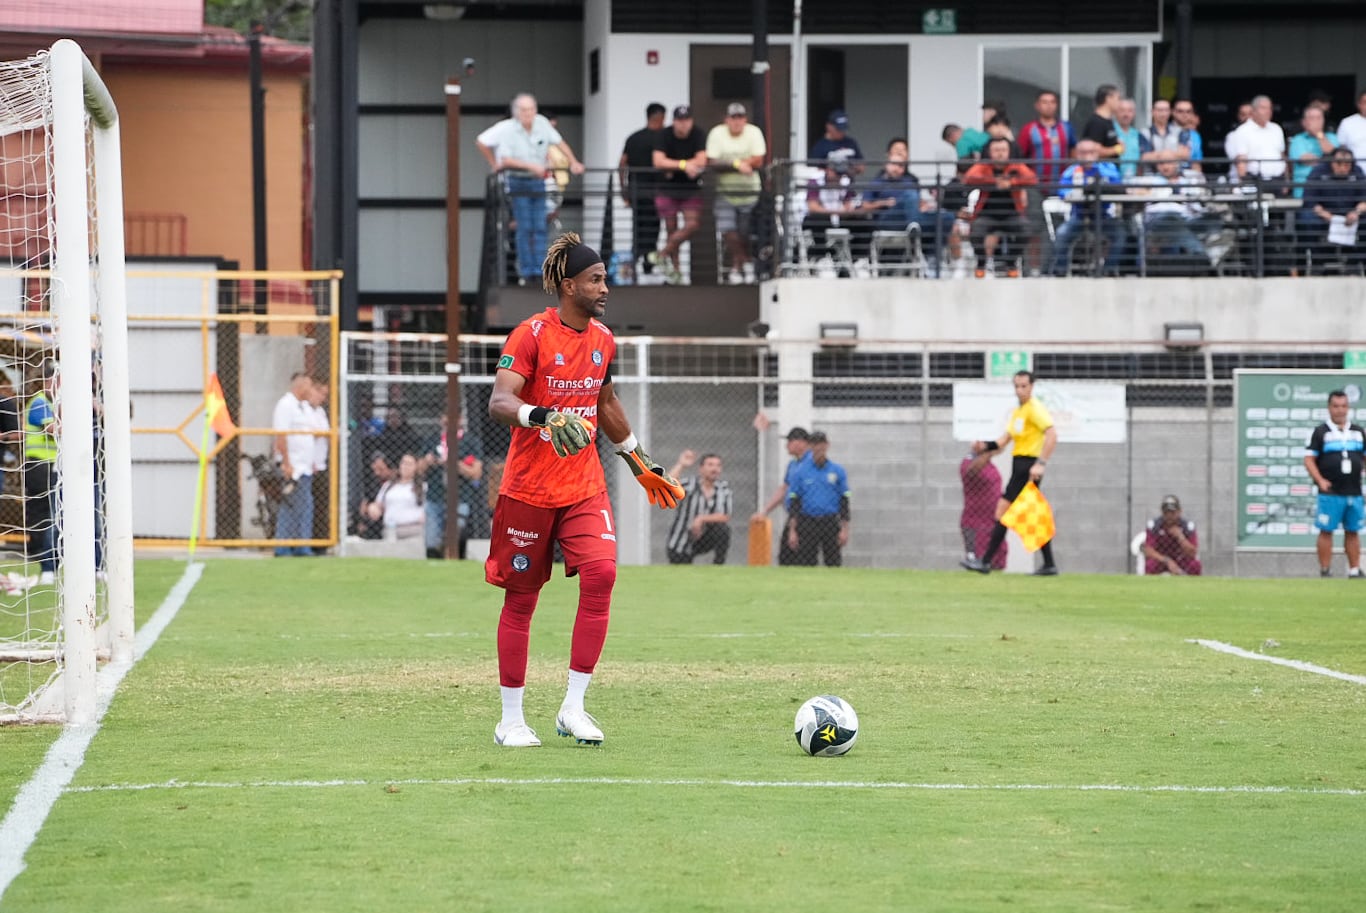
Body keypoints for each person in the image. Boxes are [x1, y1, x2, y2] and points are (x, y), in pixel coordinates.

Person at [485, 231, 684, 748]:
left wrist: (639, 460)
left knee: (602, 573)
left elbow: (606, 403)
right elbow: (500, 402)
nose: (604, 288)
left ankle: (573, 707)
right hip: (528, 490)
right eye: (596, 279)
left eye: (605, 280)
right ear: (568, 284)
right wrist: (544, 416)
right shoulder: (529, 335)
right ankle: (510, 720)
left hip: (583, 487)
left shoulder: (603, 339)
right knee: (522, 600)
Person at [475, 93, 586, 284]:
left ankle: (540, 269)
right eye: (524, 110)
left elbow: (559, 142)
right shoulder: (507, 128)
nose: (528, 113)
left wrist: (573, 161)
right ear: (516, 112)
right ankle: (528, 272)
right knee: (525, 227)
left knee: (540, 227)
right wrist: (495, 163)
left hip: (538, 182)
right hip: (517, 182)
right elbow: (487, 146)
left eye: (531, 109)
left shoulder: (542, 123)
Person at [961, 370, 1059, 575]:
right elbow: (1003, 441)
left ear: (1032, 387)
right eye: (1017, 386)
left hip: (1028, 466)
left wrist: (1041, 463)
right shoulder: (1018, 412)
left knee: (1002, 511)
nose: (1020, 390)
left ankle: (986, 562)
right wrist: (983, 446)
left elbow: (1052, 434)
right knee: (1031, 515)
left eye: (1024, 386)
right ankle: (1049, 564)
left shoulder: (1035, 409)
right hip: (1019, 465)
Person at [1303, 389, 1365, 578]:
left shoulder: (1358, 431)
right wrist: (1320, 480)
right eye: (1336, 406)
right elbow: (1309, 459)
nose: (1340, 411)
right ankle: (1325, 570)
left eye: (1344, 406)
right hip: (1331, 491)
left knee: (1353, 531)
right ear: (1329, 408)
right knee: (1326, 530)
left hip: (1353, 490)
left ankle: (1354, 570)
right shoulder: (1320, 432)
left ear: (1349, 408)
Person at [705, 102, 767, 284]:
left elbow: (758, 160)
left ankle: (736, 266)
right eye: (733, 117)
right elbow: (713, 162)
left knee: (744, 232)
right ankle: (746, 262)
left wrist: (732, 162)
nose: (737, 121)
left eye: (740, 117)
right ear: (726, 119)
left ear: (745, 119)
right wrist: (738, 165)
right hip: (725, 192)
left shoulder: (754, 132)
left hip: (750, 193)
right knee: (728, 230)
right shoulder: (717, 133)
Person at [963, 136, 1038, 277]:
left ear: (1009, 151)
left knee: (1026, 229)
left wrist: (1011, 183)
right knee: (976, 232)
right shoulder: (984, 166)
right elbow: (969, 177)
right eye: (996, 150)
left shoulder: (1016, 165)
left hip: (1012, 215)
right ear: (990, 152)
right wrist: (993, 182)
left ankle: (1011, 262)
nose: (1000, 153)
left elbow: (1032, 178)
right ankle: (982, 262)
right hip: (986, 215)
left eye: (1003, 150)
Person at [651, 104, 708, 285]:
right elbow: (658, 161)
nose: (683, 125)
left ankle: (662, 254)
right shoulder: (664, 135)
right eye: (679, 121)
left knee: (692, 225)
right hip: (667, 189)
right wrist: (684, 166)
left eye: (686, 121)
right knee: (671, 228)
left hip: (690, 190)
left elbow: (702, 160)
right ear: (674, 121)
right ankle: (675, 272)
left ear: (691, 121)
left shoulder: (698, 134)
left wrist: (675, 165)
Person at [1051, 139, 1125, 276]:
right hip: (1080, 216)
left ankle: (1108, 271)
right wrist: (1076, 193)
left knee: (1120, 235)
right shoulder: (1071, 172)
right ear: (1077, 154)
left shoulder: (1108, 169)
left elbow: (1118, 186)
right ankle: (1060, 271)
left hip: (1103, 216)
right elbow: (1062, 192)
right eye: (1083, 153)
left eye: (1091, 152)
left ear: (1097, 154)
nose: (1087, 156)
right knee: (1062, 234)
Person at [785, 430, 850, 567]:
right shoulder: (800, 472)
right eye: (815, 444)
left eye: (821, 444)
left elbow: (844, 500)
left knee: (833, 563)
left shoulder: (837, 470)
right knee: (807, 563)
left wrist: (844, 529)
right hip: (808, 522)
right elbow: (794, 502)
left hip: (830, 521)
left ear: (827, 445)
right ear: (810, 447)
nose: (818, 448)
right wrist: (792, 530)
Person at [618, 102, 666, 283]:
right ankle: (648, 264)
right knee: (653, 229)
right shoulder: (663, 138)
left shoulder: (633, 138)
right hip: (657, 191)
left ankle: (637, 262)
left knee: (638, 227)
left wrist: (624, 190)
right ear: (661, 117)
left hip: (636, 190)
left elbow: (622, 165)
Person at [751, 425, 811, 566]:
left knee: (803, 556)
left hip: (806, 516)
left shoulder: (811, 463)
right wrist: (765, 511)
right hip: (793, 515)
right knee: (786, 555)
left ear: (800, 443)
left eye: (789, 442)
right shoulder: (793, 465)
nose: (786, 446)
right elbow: (784, 489)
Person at [1299, 148, 1366, 271]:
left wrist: (1356, 212)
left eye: (1346, 164)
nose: (1342, 168)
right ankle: (1317, 262)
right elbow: (1309, 199)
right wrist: (1327, 215)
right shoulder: (1319, 171)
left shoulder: (1358, 172)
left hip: (1351, 215)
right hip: (1324, 215)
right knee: (1307, 219)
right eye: (1338, 164)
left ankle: (1355, 263)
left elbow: (1364, 200)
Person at [272, 372, 316, 557]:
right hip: (293, 467)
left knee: (303, 506)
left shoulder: (305, 407)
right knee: (291, 506)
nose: (311, 390)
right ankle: (284, 546)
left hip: (304, 467)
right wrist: (286, 463)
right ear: (299, 386)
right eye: (308, 385)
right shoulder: (286, 405)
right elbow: (281, 436)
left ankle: (300, 544)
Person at [23, 362, 59, 585]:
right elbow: (53, 429)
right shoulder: (40, 402)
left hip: (51, 464)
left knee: (50, 510)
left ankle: (47, 556)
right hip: (39, 464)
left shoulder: (53, 402)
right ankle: (42, 557)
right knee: (45, 511)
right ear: (47, 381)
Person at [664, 450, 733, 565]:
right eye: (710, 465)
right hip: (682, 538)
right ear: (701, 469)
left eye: (718, 465)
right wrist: (681, 465)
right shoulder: (690, 485)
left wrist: (701, 519)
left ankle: (719, 566)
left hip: (704, 537)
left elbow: (725, 516)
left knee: (723, 530)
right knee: (681, 572)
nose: (714, 469)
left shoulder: (723, 488)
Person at [1225, 95, 1287, 189]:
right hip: (1255, 181)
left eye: (1269, 108)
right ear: (1253, 111)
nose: (1268, 111)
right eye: (1263, 108)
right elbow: (1241, 161)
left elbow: (1282, 156)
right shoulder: (1243, 130)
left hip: (1278, 180)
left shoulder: (1277, 129)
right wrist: (1242, 185)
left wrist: (1286, 182)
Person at [1017, 90, 1076, 189]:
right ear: (1037, 105)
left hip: (1062, 183)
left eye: (1052, 102)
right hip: (1035, 185)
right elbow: (1019, 157)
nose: (1049, 106)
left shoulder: (1066, 127)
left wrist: (1071, 173)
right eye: (1044, 102)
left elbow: (1073, 151)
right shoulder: (1029, 129)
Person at [960, 448, 1006, 571]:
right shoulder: (970, 461)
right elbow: (970, 471)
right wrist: (987, 452)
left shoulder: (989, 464)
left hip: (992, 520)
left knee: (997, 562)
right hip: (976, 522)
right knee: (978, 561)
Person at [364, 452, 426, 540]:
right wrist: (373, 508)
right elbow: (378, 505)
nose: (405, 466)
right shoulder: (389, 486)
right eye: (403, 463)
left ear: (416, 467)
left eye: (409, 464)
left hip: (414, 529)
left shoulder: (422, 487)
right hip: (391, 529)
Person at [1142, 494, 1202, 576]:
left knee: (1195, 565)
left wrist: (1180, 537)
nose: (1169, 516)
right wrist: (1166, 560)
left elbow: (1193, 552)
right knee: (1150, 565)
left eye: (1172, 512)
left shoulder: (1187, 526)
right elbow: (1148, 550)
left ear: (1179, 511)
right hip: (1162, 559)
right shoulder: (1154, 525)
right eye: (1166, 512)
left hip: (1180, 559)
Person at [1289, 105, 1338, 199]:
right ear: (1304, 122)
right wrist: (1325, 161)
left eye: (1319, 118)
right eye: (1312, 118)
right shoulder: (1297, 140)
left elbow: (1334, 158)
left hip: (1329, 189)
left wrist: (1319, 135)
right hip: (1305, 188)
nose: (1316, 121)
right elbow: (1305, 159)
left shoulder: (1333, 137)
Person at [308, 379, 330, 545]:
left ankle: (320, 542)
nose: (323, 398)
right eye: (321, 393)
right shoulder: (304, 411)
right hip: (309, 464)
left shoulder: (321, 412)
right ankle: (308, 540)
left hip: (321, 463)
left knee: (322, 505)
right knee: (309, 505)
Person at [808, 109, 863, 175]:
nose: (841, 132)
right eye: (838, 129)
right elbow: (812, 168)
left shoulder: (851, 143)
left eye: (844, 129)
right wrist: (826, 173)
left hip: (848, 182)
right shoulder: (820, 147)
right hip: (828, 184)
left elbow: (862, 166)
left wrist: (852, 168)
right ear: (829, 127)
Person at [1080, 84, 1124, 159]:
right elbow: (1094, 150)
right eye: (1118, 98)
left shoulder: (1108, 121)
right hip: (1100, 168)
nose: (1120, 103)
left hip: (1110, 168)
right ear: (1108, 98)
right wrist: (1117, 149)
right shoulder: (1096, 122)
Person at [1113, 97, 1146, 179]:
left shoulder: (1137, 134)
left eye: (1130, 111)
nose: (1126, 114)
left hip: (1134, 180)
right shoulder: (1110, 131)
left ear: (1134, 113)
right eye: (1122, 110)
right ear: (1115, 112)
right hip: (1114, 180)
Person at [1172, 98, 1205, 171]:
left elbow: (1196, 162)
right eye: (1180, 111)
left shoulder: (1195, 135)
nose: (1184, 115)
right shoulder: (1166, 131)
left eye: (1188, 112)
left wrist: (1199, 179)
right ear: (1173, 112)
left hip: (1189, 177)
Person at [1336, 89, 1366, 164]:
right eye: (1365, 102)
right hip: (1355, 172)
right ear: (1359, 104)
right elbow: (1340, 148)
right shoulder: (1347, 123)